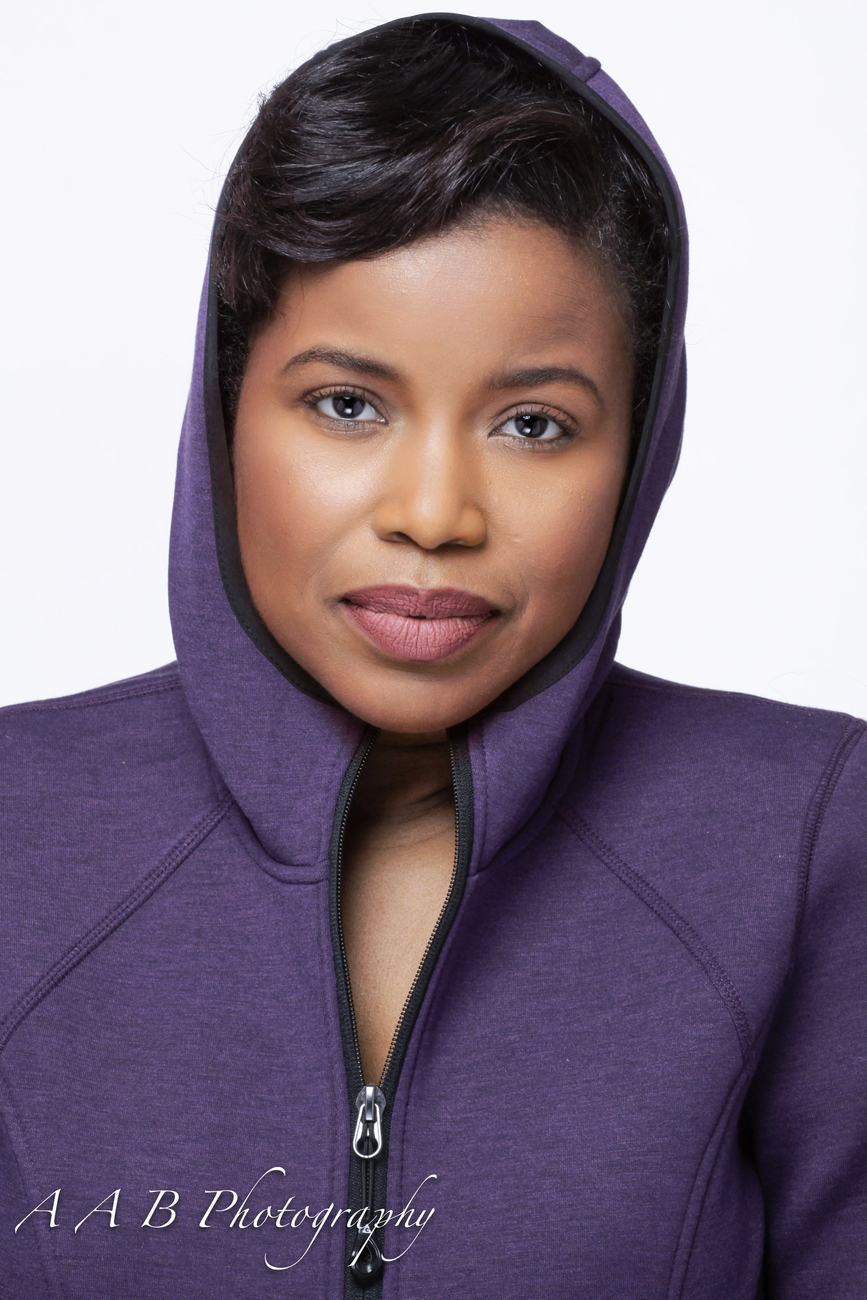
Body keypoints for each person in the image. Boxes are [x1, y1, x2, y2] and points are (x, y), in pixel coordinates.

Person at [1, 13, 865, 1299]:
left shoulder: (802, 837)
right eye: (347, 403)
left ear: (638, 449)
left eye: (533, 423)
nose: (434, 512)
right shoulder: (17, 824)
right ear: (226, 410)